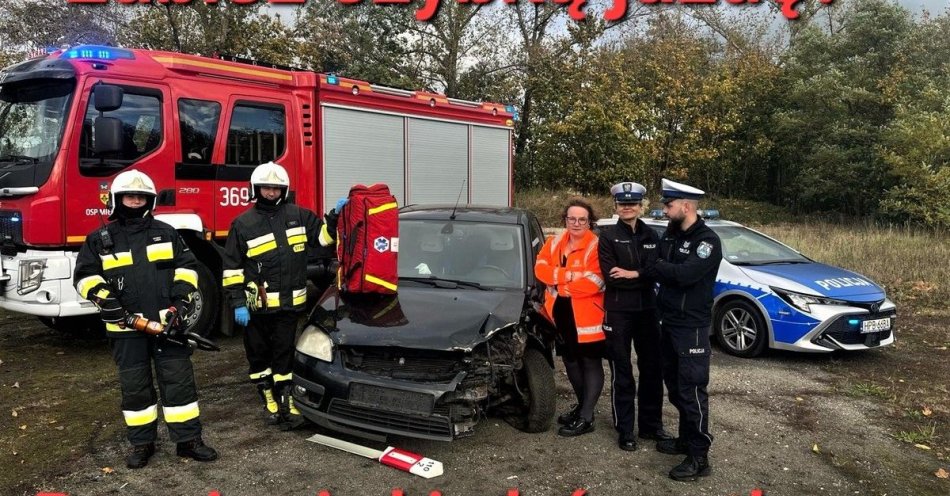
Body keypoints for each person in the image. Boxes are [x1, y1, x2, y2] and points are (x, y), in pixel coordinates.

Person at [73, 170, 217, 469]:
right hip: (126, 330)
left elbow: (187, 269)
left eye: (141, 196)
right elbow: (85, 277)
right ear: (118, 199)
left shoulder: (167, 232)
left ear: (149, 200)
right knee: (135, 387)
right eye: (129, 195)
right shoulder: (100, 239)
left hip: (168, 327)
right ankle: (142, 444)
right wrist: (104, 300)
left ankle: (188, 441)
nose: (135, 200)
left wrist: (180, 304)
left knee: (179, 385)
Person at [222, 161, 344, 430]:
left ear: (284, 190)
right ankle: (267, 394)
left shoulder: (301, 216)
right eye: (266, 188)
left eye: (276, 188)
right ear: (255, 189)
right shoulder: (242, 224)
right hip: (257, 308)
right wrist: (238, 303)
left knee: (284, 352)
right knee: (258, 353)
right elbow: (232, 269)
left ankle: (286, 396)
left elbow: (323, 239)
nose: (271, 193)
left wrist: (335, 215)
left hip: (289, 306)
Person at [635, 178, 722, 481]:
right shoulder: (671, 234)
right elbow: (653, 262)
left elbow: (686, 276)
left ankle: (699, 456)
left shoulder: (707, 241)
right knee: (674, 386)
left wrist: (662, 268)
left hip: (691, 327)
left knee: (692, 391)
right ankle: (685, 440)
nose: (664, 209)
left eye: (668, 204)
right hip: (668, 322)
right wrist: (661, 268)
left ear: (686, 206)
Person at [598, 182, 671, 452]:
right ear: (615, 206)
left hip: (648, 310)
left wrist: (633, 274)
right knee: (622, 370)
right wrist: (643, 275)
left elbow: (658, 271)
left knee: (652, 368)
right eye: (622, 203)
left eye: (633, 203)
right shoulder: (606, 236)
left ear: (641, 206)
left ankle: (651, 426)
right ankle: (625, 429)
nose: (627, 207)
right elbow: (610, 277)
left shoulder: (652, 235)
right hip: (618, 310)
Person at [534, 198, 606, 437]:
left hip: (587, 316)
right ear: (565, 219)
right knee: (571, 362)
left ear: (589, 222)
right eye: (571, 218)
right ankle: (584, 407)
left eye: (582, 219)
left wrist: (561, 284)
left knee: (590, 362)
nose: (576, 223)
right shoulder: (554, 242)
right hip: (560, 314)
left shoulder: (596, 246)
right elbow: (540, 270)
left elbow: (594, 282)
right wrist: (570, 274)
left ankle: (586, 417)